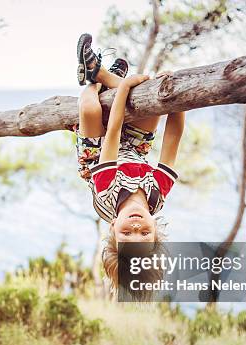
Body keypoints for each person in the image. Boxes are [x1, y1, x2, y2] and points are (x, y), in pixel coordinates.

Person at [75, 33, 185, 292]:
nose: (136, 228)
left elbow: (112, 133)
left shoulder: (107, 192)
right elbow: (173, 139)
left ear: (112, 228)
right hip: (136, 150)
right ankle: (100, 74)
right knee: (151, 102)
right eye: (144, 235)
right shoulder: (157, 194)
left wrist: (123, 88)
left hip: (98, 154)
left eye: (126, 235)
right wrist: (175, 96)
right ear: (156, 230)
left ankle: (97, 79)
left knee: (90, 107)